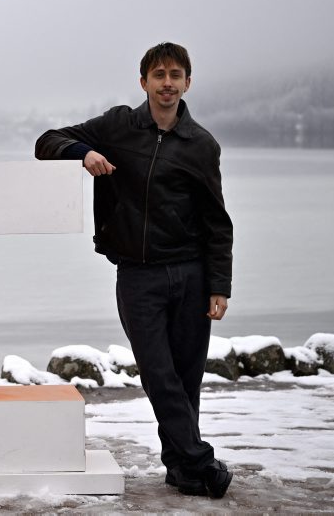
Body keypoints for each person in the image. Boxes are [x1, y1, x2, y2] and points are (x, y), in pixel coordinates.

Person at [35, 42, 234, 498]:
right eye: (159, 74)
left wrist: (219, 285)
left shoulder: (202, 145)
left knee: (186, 379)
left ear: (187, 83)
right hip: (138, 276)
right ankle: (200, 460)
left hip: (191, 274)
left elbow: (216, 221)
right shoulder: (118, 126)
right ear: (143, 81)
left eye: (176, 75)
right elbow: (47, 141)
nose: (167, 83)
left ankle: (182, 470)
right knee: (158, 373)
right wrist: (83, 153)